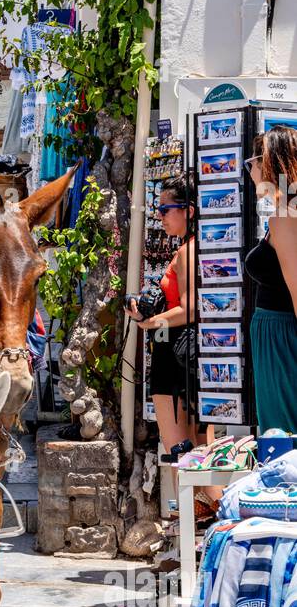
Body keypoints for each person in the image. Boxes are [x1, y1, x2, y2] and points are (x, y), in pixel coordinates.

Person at [126, 175, 201, 453]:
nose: (160, 217)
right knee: (196, 453)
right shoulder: (192, 247)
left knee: (179, 454)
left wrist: (148, 323)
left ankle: (208, 498)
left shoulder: (186, 252)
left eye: (164, 210)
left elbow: (190, 308)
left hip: (173, 353)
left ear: (188, 211)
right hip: (181, 351)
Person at [245, 126, 297, 432]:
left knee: (282, 433)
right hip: (276, 334)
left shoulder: (284, 214)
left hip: (281, 337)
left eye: (253, 161)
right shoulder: (284, 211)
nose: (250, 169)